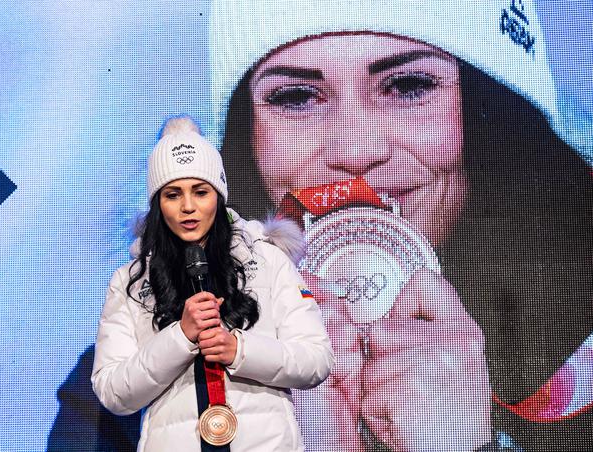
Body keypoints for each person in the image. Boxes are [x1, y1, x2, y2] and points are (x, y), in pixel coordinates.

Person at [209, 1, 593, 451]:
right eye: (294, 97)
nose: (355, 149)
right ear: (244, 137)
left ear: (492, 110)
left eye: (409, 85)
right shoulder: (129, 397)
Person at [91, 116, 334, 452]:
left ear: (218, 195)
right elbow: (113, 392)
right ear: (157, 204)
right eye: (173, 194)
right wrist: (181, 336)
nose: (188, 207)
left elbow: (315, 360)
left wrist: (239, 350)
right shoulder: (131, 281)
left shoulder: (267, 261)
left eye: (200, 192)